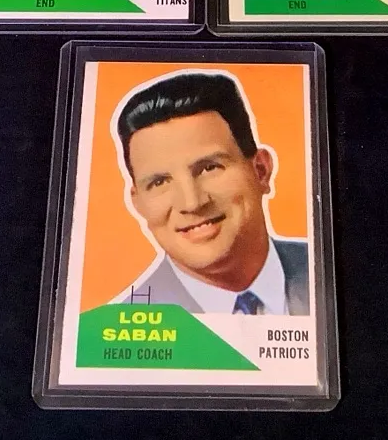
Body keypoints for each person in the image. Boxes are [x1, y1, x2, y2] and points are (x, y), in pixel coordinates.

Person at [113, 71, 310, 316]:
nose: (192, 203)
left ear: (261, 170)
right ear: (138, 203)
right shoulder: (121, 328)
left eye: (209, 168)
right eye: (160, 182)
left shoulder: (330, 270)